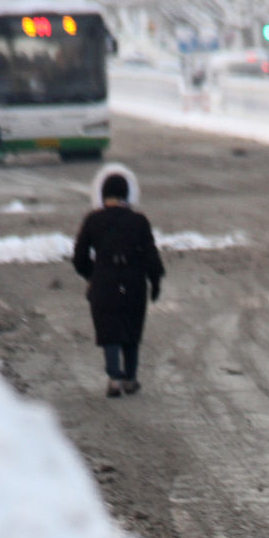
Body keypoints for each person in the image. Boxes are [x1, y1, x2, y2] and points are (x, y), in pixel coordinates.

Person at [71, 168, 165, 398]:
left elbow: (79, 258)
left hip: (105, 280)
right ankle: (130, 379)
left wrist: (92, 275)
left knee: (109, 329)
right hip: (134, 281)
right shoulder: (139, 221)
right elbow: (151, 255)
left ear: (104, 195)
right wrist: (155, 282)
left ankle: (114, 379)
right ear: (126, 195)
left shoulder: (93, 220)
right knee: (131, 329)